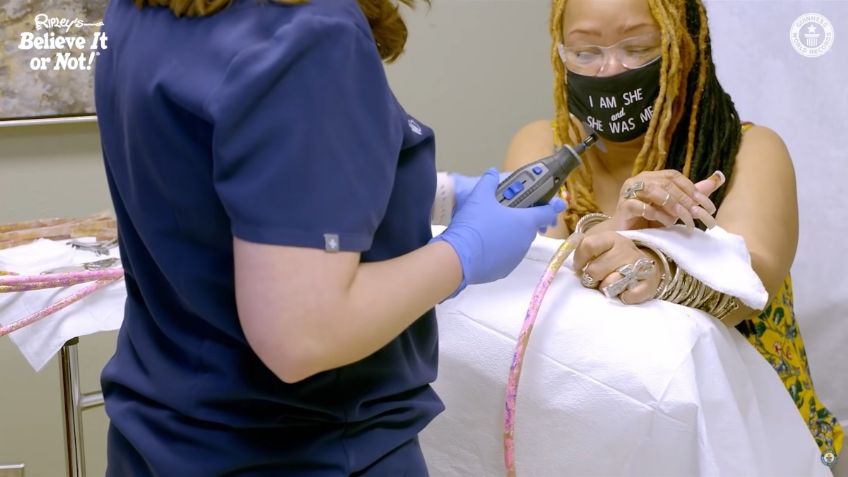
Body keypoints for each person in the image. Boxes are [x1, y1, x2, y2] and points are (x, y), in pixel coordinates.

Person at [93, 0, 564, 474]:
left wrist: (419, 192)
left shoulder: (139, 12)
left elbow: (210, 185)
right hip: (298, 451)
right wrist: (465, 252)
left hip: (159, 440)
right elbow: (303, 334)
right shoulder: (307, 33)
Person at [503, 0, 843, 466]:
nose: (610, 71)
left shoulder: (749, 152)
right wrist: (614, 230)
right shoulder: (542, 148)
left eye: (638, 48)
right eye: (584, 53)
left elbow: (750, 284)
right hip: (599, 440)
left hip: (751, 436)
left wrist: (657, 259)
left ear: (684, 45)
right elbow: (529, 285)